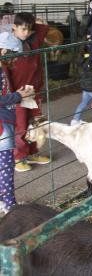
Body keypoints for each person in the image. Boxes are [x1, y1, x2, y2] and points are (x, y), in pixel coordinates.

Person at [8, 13, 49, 172]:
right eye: (23, 29)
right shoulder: (8, 47)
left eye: (29, 29)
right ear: (14, 28)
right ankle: (19, 157)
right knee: (21, 125)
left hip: (33, 91)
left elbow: (43, 28)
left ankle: (32, 153)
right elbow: (5, 72)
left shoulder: (34, 40)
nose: (26, 33)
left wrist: (34, 23)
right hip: (17, 94)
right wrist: (12, 94)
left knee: (34, 123)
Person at [0, 32, 35, 211]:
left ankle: (3, 202)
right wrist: (17, 96)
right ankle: (10, 206)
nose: (14, 60)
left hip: (4, 119)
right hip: (2, 124)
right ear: (4, 50)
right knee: (6, 165)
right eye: (13, 55)